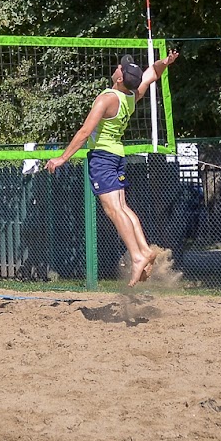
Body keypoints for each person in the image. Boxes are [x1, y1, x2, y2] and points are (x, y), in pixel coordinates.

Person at [45, 51, 179, 287]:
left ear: (119, 78)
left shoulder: (107, 98)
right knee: (123, 208)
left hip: (103, 159)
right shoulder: (132, 95)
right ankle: (146, 250)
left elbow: (84, 132)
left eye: (121, 68)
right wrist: (164, 63)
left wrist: (62, 158)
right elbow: (152, 74)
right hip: (117, 156)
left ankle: (137, 256)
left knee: (114, 211)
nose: (118, 67)